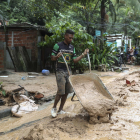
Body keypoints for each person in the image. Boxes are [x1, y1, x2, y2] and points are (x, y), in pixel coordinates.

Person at [51, 29, 89, 117]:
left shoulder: (72, 48)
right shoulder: (58, 45)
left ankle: (61, 109)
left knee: (67, 92)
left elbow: (74, 60)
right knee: (60, 91)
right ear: (65, 36)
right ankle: (54, 107)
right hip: (60, 70)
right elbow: (52, 58)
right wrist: (56, 57)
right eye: (69, 38)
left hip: (68, 71)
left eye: (72, 38)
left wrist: (83, 54)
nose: (71, 39)